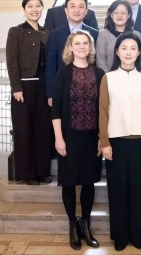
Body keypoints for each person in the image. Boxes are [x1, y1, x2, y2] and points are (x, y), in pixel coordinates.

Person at [99, 32, 141, 251]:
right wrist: (104, 141)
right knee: (117, 190)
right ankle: (120, 235)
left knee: (139, 189)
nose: (128, 52)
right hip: (115, 142)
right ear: (117, 52)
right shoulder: (108, 78)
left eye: (133, 48)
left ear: (139, 52)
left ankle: (138, 234)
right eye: (124, 48)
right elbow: (103, 111)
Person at [51, 30, 104, 251]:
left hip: (92, 138)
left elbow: (105, 109)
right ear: (70, 48)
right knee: (70, 182)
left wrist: (102, 137)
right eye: (77, 43)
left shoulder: (99, 73)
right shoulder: (63, 74)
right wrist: (59, 138)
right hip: (69, 137)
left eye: (85, 43)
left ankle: (86, 226)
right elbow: (56, 109)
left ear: (91, 48)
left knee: (89, 182)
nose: (82, 47)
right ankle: (72, 225)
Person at [5, 0, 52, 185]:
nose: (34, 9)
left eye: (38, 6)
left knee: (43, 129)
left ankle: (42, 172)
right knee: (24, 131)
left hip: (44, 87)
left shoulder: (47, 33)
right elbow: (11, 61)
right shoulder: (16, 31)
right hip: (23, 87)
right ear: (24, 9)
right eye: (30, 6)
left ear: (42, 9)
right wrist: (16, 87)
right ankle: (28, 174)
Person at [45, 0, 99, 104]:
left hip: (88, 89)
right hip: (62, 88)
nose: (77, 10)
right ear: (66, 10)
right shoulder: (55, 34)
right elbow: (50, 66)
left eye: (81, 6)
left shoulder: (95, 34)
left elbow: (96, 63)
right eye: (72, 6)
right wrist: (50, 94)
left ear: (86, 11)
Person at [96, 0, 141, 73]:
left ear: (129, 15)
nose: (119, 16)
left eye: (123, 13)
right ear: (111, 14)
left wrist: (137, 75)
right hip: (109, 77)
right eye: (116, 12)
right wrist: (108, 77)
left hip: (134, 77)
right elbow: (100, 60)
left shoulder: (137, 34)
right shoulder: (103, 35)